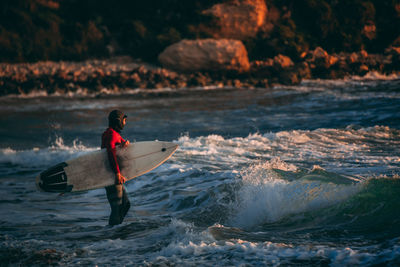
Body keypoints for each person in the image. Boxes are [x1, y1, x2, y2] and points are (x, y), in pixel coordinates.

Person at [101, 109, 131, 226]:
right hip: (112, 175)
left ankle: (115, 229)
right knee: (117, 208)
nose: (125, 123)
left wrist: (124, 144)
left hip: (113, 174)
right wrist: (117, 173)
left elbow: (118, 144)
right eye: (124, 120)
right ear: (118, 121)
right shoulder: (111, 135)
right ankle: (112, 235)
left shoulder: (112, 134)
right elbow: (111, 153)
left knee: (125, 205)